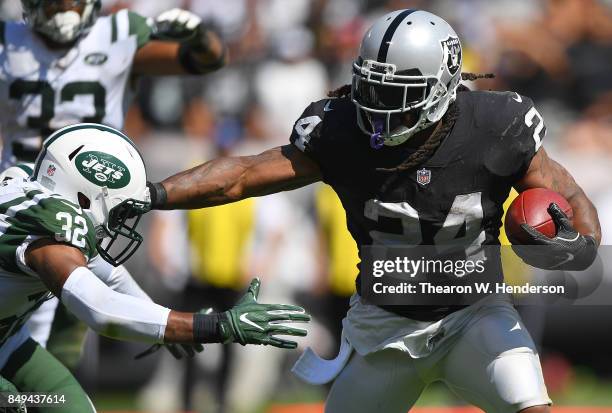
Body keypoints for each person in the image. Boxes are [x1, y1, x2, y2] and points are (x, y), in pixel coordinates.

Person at [145, 9, 601, 413]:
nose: (380, 107)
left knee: (530, 405)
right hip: (384, 327)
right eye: (373, 87)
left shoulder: (496, 124)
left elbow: (573, 199)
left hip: (475, 313)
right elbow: (241, 176)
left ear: (445, 83)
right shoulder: (339, 129)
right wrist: (152, 195)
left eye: (399, 92)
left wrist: (577, 247)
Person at [0, 123, 310, 413]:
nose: (120, 222)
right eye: (120, 208)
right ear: (82, 195)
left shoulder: (46, 201)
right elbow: (99, 309)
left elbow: (111, 276)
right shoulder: (52, 230)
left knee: (68, 406)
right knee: (14, 403)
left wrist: (164, 329)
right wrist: (217, 325)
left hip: (8, 341)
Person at [0, 0, 228, 366]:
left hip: (96, 200)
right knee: (32, 326)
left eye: (70, 3)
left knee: (75, 329)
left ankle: (51, 394)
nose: (62, 13)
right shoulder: (8, 39)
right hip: (26, 201)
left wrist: (200, 37)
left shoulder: (116, 35)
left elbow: (208, 60)